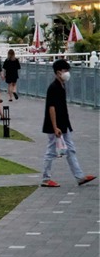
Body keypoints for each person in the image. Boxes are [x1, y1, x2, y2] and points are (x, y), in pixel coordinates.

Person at [39, 59, 95, 188]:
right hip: (56, 125)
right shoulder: (53, 88)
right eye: (65, 71)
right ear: (59, 72)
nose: (67, 73)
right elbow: (51, 108)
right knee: (51, 151)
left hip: (64, 124)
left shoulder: (61, 86)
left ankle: (80, 176)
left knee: (71, 149)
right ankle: (46, 178)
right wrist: (55, 126)